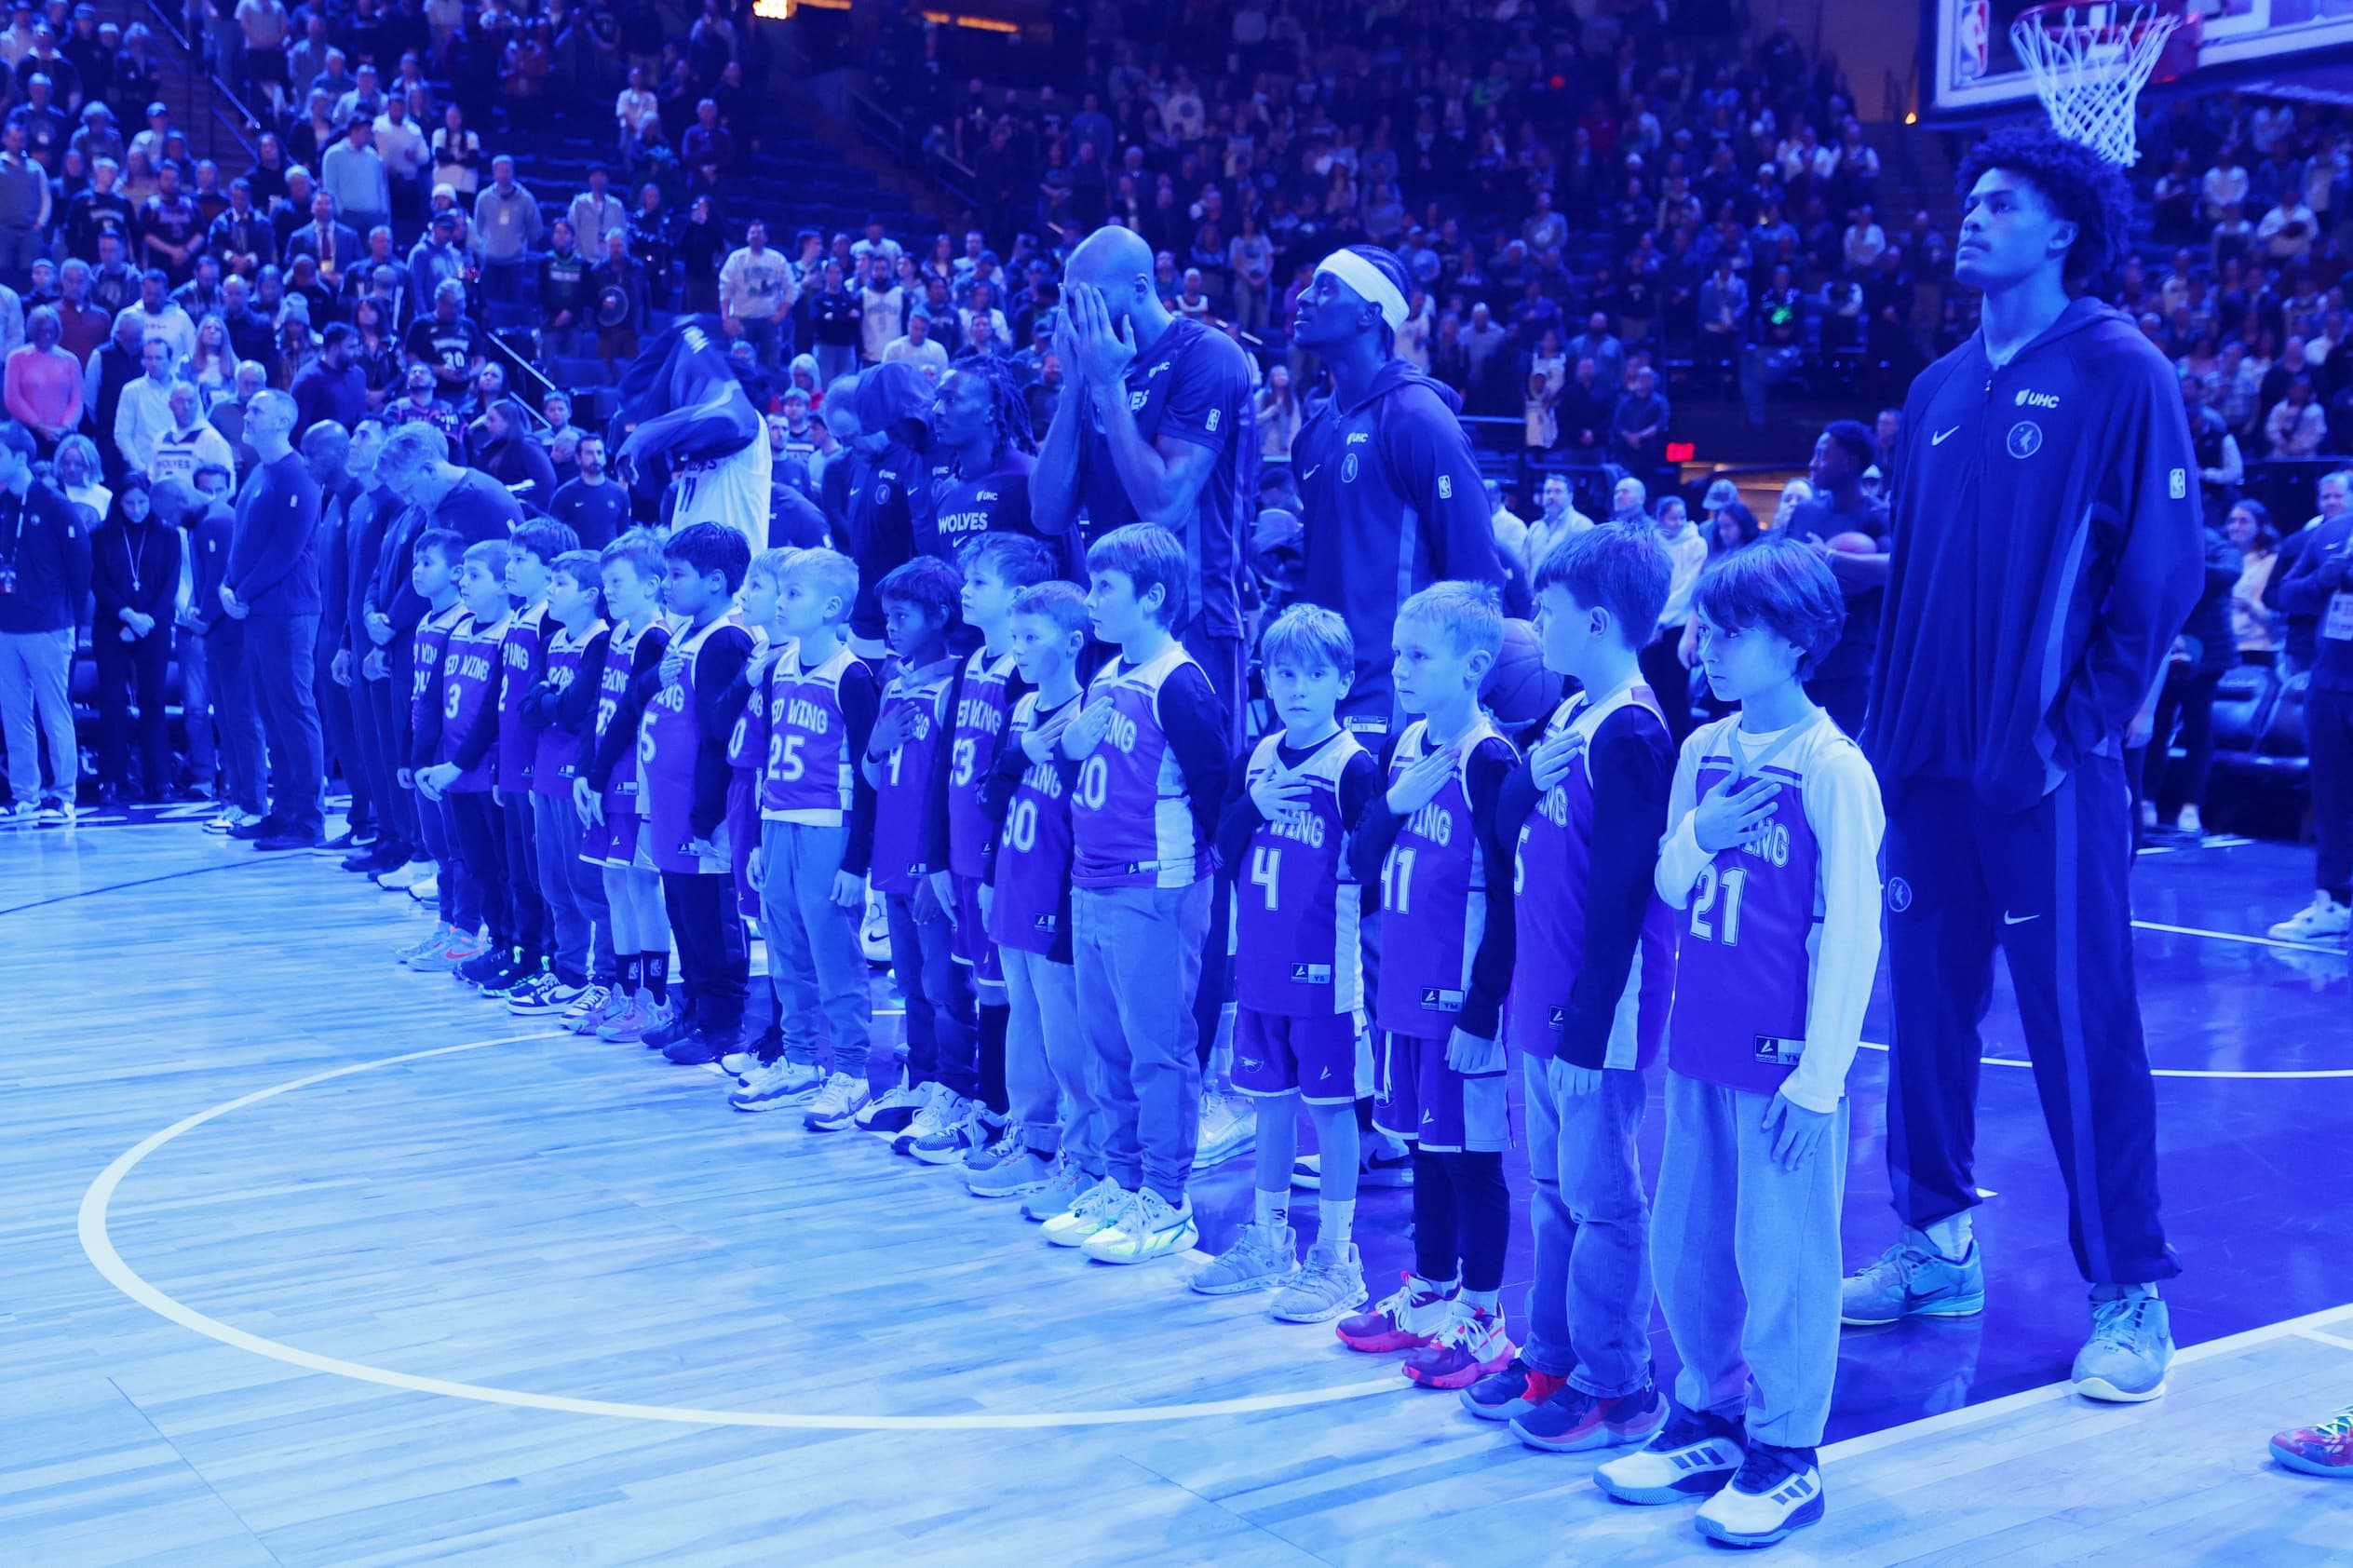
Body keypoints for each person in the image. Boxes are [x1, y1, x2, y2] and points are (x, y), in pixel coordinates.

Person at [1854, 127, 2201, 1404]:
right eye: (1968, 199)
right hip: (1925, 771)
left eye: (1999, 202)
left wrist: (2071, 736)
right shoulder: (1940, 389)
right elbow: (1908, 590)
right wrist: (1886, 744)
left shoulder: (2120, 371)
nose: (1969, 216)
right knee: (1923, 1021)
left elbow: (2162, 579)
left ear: (2060, 227)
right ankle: (1935, 1243)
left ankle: (2126, 1292)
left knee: (2079, 1028)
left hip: (2043, 776)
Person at [1603, 536, 1882, 1548]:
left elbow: (1854, 931)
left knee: (1786, 1258)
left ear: (1799, 640)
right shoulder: (1699, 752)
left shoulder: (1832, 769)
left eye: (1732, 631)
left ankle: (1786, 1451)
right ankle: (1709, 1413)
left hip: (1783, 1068)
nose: (1706, 646)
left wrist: (1821, 1080)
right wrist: (1701, 833)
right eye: (1704, 628)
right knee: (1692, 1248)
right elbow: (1670, 889)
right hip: (1700, 1043)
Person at [1463, 523, 1679, 1453]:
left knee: (1602, 1199)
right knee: (1552, 1190)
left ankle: (1618, 1381)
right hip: (1542, 1006)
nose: (1534, 627)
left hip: (1594, 1016)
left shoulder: (1629, 728)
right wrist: (1521, 788)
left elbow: (1627, 895)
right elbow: (1507, 837)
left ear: (1594, 622)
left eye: (1546, 612)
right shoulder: (1566, 721)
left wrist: (1590, 1032)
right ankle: (1552, 1350)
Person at [1333, 580, 1519, 1389]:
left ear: (1474, 664)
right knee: (1422, 1152)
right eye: (1398, 650)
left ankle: (1483, 1315)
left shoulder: (1490, 759)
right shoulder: (1405, 746)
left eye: (1418, 655)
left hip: (1459, 1003)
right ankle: (1431, 1291)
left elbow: (1513, 896)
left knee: (1470, 1160)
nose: (1398, 667)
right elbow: (1361, 863)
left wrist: (1483, 1008)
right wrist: (1392, 806)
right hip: (1401, 992)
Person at [1037, 523, 1229, 1264]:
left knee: (1158, 1050)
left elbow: (1214, 787)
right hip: (1093, 881)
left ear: (1152, 598)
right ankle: (1120, 1180)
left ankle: (1166, 1196)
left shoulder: (1180, 682)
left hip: (1156, 887)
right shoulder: (1109, 673)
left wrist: (1205, 899)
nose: (1091, 602)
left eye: (1105, 589)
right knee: (1105, 1048)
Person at [1189, 602, 1379, 1320]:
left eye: (1314, 674)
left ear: (1341, 682)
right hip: (1259, 969)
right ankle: (1268, 1240)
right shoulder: (1259, 758)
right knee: (1269, 1109)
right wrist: (1252, 808)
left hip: (1323, 976)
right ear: (1266, 680)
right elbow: (1222, 849)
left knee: (1330, 1114)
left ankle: (1337, 1254)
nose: (1297, 688)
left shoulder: (1352, 766)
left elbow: (1370, 866)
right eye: (1285, 673)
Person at [1032, 224, 1252, 733]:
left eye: (1091, 297)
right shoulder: (1096, 363)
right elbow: (1047, 513)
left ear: (1139, 288)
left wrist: (1106, 384)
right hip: (1110, 620)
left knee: (1198, 797)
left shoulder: (1208, 355)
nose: (1076, 314)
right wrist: (1074, 386)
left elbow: (1164, 508)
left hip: (1191, 619)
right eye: (1069, 300)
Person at [1288, 245, 1506, 729]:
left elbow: (1476, 576)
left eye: (1325, 288)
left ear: (1370, 313)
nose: (1304, 299)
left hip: (1396, 699)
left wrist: (1469, 707)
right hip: (1320, 691)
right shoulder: (1313, 433)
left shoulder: (1419, 417)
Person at [902, 534, 1055, 1168]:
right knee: (980, 985)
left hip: (1004, 859)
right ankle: (987, 1106)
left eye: (981, 582)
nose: (966, 590)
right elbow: (943, 772)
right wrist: (936, 857)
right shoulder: (968, 667)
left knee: (1011, 994)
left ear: (1018, 598)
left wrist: (989, 864)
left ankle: (1008, 1115)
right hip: (961, 858)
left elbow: (1010, 783)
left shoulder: (1026, 678)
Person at [723, 547, 879, 1128]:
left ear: (832, 607)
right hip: (778, 823)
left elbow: (870, 780)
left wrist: (855, 862)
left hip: (828, 832)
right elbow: (764, 756)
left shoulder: (853, 676)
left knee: (834, 955)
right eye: (781, 593)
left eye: (794, 595)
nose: (781, 604)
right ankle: (801, 1059)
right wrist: (760, 839)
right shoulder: (778, 667)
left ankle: (853, 1071)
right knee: (784, 952)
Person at [966, 578, 1097, 1204]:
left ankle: (1081, 1155)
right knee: (1023, 1016)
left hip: (1058, 892)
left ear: (1073, 642)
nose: (1016, 648)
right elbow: (991, 799)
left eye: (1030, 637)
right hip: (1014, 882)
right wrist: (990, 875)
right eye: (1013, 636)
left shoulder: (1088, 715)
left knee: (1065, 1033)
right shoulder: (1021, 712)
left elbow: (1089, 821)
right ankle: (1033, 1137)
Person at [854, 555, 980, 1141]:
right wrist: (875, 749)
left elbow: (952, 789)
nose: (891, 627)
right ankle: (924, 1081)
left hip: (932, 865)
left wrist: (940, 868)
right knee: (909, 981)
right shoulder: (894, 683)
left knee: (944, 985)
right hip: (891, 857)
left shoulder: (960, 685)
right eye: (886, 617)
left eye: (902, 616)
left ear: (941, 616)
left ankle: (957, 1088)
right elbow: (877, 781)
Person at [636, 522, 756, 1061]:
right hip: (671, 803)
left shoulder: (727, 639)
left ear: (715, 581)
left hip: (702, 807)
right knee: (683, 912)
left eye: (677, 575)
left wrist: (711, 814)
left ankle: (723, 1022)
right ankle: (695, 1008)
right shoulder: (683, 633)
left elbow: (721, 733)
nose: (667, 585)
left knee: (711, 918)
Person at [571, 531, 675, 1041]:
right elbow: (599, 710)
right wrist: (585, 773)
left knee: (640, 882)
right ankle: (624, 987)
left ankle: (653, 998)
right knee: (614, 881)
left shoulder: (656, 638)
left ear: (653, 585)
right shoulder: (617, 635)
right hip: (608, 773)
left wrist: (597, 772)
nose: (608, 590)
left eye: (618, 582)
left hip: (637, 776)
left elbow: (632, 715)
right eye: (606, 582)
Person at [221, 387, 326, 851]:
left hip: (288, 612)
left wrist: (239, 591)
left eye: (257, 409)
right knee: (272, 712)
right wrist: (226, 584)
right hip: (259, 611)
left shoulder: (296, 475)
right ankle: (283, 811)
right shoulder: (260, 473)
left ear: (283, 420)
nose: (248, 414)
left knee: (294, 711)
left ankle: (307, 820)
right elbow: (242, 539)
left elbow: (286, 550)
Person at [510, 545, 612, 1021]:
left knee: (587, 883)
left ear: (591, 595)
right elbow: (528, 711)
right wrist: (553, 699)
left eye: (560, 584)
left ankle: (605, 976)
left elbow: (573, 712)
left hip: (578, 775)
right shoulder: (554, 642)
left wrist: (551, 699)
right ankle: (570, 970)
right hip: (546, 774)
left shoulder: (601, 641)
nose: (550, 591)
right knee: (552, 880)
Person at [413, 537, 517, 973]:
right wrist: (419, 759)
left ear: (503, 584)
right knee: (470, 859)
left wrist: (461, 763)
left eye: (475, 576)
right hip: (451, 767)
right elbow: (432, 700)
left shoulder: (510, 633)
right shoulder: (458, 630)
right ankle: (474, 935)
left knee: (501, 865)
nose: (464, 583)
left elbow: (495, 712)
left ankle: (506, 942)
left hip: (484, 767)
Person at [2266, 467, 2353, 946]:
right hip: (2329, 684)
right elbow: (2284, 596)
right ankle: (2333, 902)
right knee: (2332, 799)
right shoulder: (2329, 533)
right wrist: (2323, 579)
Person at [614, 318, 772, 552]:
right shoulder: (703, 441)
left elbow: (707, 419)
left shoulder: (744, 420)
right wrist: (673, 334)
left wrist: (635, 445)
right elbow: (636, 384)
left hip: (730, 565)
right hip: (692, 557)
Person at [1777, 420, 1891, 736]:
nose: (1813, 464)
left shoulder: (1877, 514)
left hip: (1853, 654)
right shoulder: (1805, 512)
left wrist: (1831, 558)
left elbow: (1896, 567)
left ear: (1849, 463)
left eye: (1823, 456)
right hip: (1801, 651)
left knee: (1845, 746)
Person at [0, 420, 88, 818]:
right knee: (13, 712)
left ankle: (64, 794)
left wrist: (68, 618)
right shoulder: (3, 504)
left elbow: (80, 568)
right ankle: (24, 794)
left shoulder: (54, 505)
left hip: (49, 625)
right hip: (7, 625)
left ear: (20, 457)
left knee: (54, 711)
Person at [548, 432, 629, 550]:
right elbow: (554, 536)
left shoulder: (620, 494)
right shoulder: (563, 495)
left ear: (605, 458)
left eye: (599, 453)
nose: (596, 458)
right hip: (577, 563)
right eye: (590, 453)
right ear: (578, 458)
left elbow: (624, 534)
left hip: (609, 562)